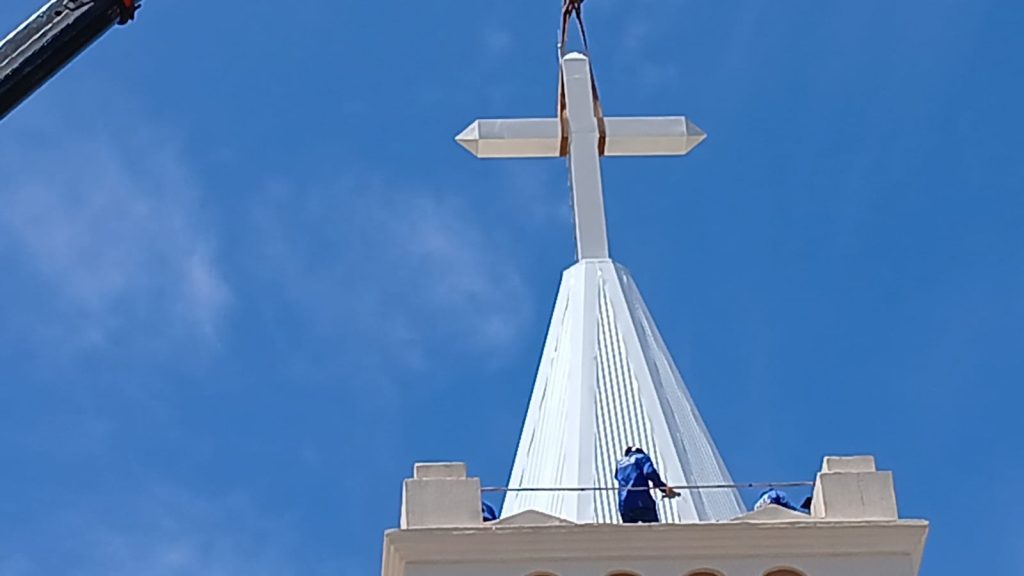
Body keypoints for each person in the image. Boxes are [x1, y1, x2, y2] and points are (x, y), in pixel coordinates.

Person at [615, 446, 678, 523]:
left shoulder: (620, 463)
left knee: (630, 532)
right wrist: (664, 488)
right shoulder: (642, 457)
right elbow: (650, 473)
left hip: (624, 505)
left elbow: (617, 477)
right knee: (653, 531)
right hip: (642, 502)